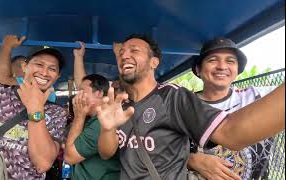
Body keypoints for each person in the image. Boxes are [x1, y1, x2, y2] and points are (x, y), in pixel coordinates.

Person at [95, 34, 285, 180]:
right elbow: (107, 153)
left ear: (154, 62)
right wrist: (107, 128)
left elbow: (230, 132)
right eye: (121, 53)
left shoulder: (174, 96)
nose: (125, 56)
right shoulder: (120, 105)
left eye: (134, 50)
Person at [0, 46, 68, 179]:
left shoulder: (57, 113)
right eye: (39, 64)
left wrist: (36, 110)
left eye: (52, 69)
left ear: (57, 76)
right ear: (24, 66)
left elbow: (42, 164)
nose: (44, 72)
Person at [187, 38, 276, 180]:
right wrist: (191, 160)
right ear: (198, 69)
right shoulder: (183, 105)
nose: (222, 66)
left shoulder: (257, 96)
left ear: (237, 70)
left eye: (230, 61)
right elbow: (160, 149)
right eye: (212, 60)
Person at [63, 42, 120, 180]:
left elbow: (69, 158)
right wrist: (78, 57)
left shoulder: (100, 124)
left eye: (82, 92)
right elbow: (82, 83)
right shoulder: (96, 116)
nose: (78, 95)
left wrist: (79, 116)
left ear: (99, 93)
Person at [0, 35, 56, 103]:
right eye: (39, 64)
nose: (44, 72)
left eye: (51, 68)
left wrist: (7, 45)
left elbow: (0, 79)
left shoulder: (41, 85)